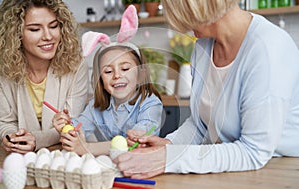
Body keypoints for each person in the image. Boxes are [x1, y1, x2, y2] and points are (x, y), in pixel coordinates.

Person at [114, 0, 299, 179]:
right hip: (236, 172)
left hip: (281, 172)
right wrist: (168, 145)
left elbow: (253, 152)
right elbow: (200, 124)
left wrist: (168, 159)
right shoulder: (204, 45)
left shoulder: (268, 49)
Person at [52, 5, 163, 156]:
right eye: (108, 71)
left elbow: (134, 143)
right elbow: (80, 128)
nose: (117, 75)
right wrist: (67, 127)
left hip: (142, 165)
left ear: (141, 75)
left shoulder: (151, 104)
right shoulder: (96, 106)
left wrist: (86, 148)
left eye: (125, 69)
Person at [0, 0, 89, 154]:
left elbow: (73, 123)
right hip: (20, 158)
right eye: (35, 29)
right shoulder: (3, 69)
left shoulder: (76, 65)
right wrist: (12, 138)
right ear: (15, 33)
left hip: (66, 155)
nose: (48, 36)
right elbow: (5, 121)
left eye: (53, 26)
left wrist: (36, 140)